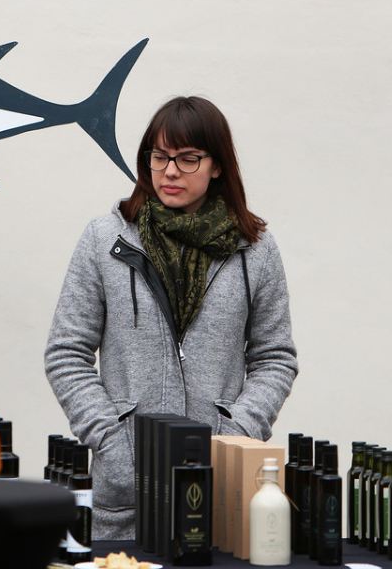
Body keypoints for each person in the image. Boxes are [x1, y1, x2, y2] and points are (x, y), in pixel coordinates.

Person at [45, 96, 298, 539]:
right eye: (159, 157)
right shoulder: (106, 239)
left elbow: (275, 358)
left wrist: (235, 435)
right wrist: (112, 442)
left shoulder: (255, 249)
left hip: (219, 493)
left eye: (188, 158)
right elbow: (66, 353)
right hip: (125, 497)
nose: (170, 171)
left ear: (217, 165)